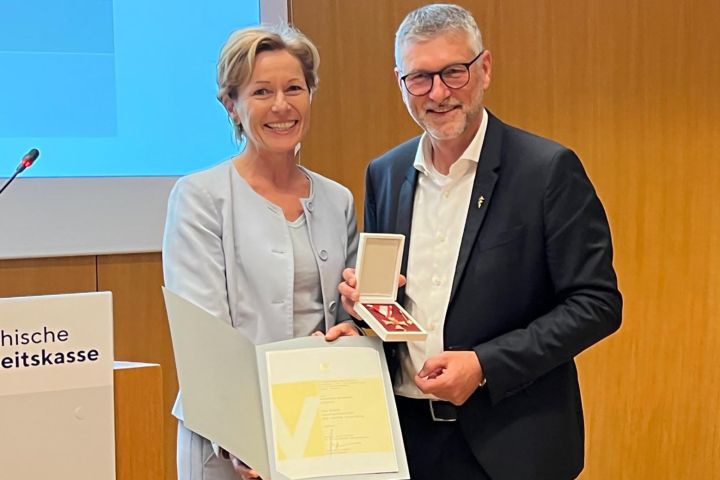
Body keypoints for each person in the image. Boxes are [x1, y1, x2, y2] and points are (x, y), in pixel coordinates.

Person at [338, 4, 622, 479]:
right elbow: (392, 305)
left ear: (484, 68)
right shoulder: (384, 174)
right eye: (420, 78)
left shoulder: (547, 170)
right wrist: (363, 315)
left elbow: (597, 303)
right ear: (400, 81)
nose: (439, 93)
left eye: (454, 72)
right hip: (405, 441)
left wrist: (485, 364)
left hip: (512, 446)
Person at [163, 24, 359, 480]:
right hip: (229, 440)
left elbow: (344, 313)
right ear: (231, 105)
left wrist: (355, 328)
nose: (281, 106)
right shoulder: (199, 196)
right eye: (261, 91)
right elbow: (203, 333)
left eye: (294, 88)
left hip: (320, 429)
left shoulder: (338, 200)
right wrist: (241, 435)